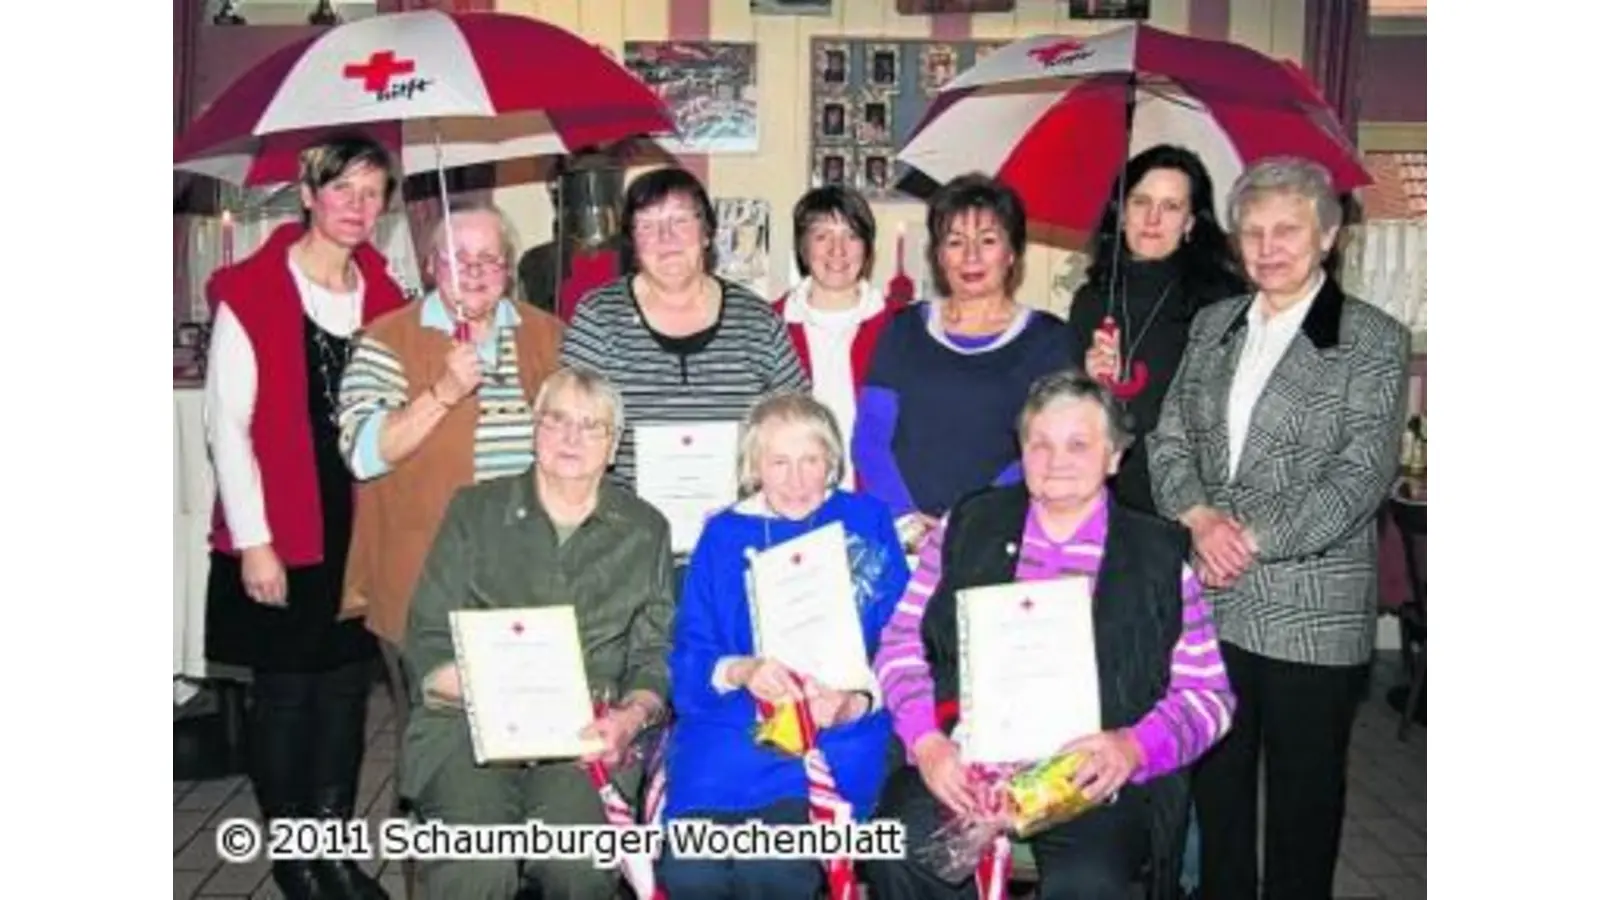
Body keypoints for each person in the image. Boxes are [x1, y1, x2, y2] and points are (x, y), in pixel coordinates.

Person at [863, 371, 1234, 900]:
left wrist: (1131, 748)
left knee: (1089, 882)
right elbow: (901, 643)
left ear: (1114, 457)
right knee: (898, 851)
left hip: (1091, 779)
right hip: (964, 760)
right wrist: (927, 743)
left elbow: (1208, 696)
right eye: (1041, 444)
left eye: (1079, 445)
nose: (1057, 461)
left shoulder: (1157, 556)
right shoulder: (968, 525)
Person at [1146, 157, 1411, 900]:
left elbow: (1359, 480)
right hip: (1214, 601)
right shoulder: (1214, 325)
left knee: (1303, 805)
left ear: (1327, 235)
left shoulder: (1371, 339)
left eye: (1287, 230)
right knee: (1219, 796)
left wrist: (1248, 537)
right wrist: (1198, 518)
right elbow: (1169, 441)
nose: (1267, 246)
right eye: (1252, 231)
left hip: (1310, 612)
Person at [202, 132, 406, 900]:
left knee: (349, 694)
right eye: (342, 190)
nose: (357, 206)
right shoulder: (252, 290)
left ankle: (334, 848)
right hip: (283, 527)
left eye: (372, 192)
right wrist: (255, 545)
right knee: (287, 697)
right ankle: (295, 859)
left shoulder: (384, 290)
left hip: (360, 524)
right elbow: (228, 428)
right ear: (309, 194)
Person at [400, 366, 675, 899]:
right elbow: (428, 635)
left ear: (613, 445)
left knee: (575, 863)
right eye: (557, 421)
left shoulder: (645, 529)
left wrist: (631, 716)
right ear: (535, 430)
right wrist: (491, 688)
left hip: (587, 738)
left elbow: (655, 650)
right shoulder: (474, 511)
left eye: (591, 426)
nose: (571, 437)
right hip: (468, 726)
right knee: (477, 866)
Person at [659, 391, 910, 899]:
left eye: (810, 460)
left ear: (832, 462)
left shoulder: (866, 520)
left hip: (832, 732)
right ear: (754, 466)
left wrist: (854, 702)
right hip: (731, 728)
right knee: (690, 872)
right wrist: (743, 670)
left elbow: (903, 641)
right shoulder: (723, 535)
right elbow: (692, 648)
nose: (796, 480)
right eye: (779, 462)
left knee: (775, 867)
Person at [338, 202, 563, 652]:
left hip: (532, 576)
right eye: (458, 258)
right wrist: (443, 392)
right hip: (428, 579)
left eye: (489, 258)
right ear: (430, 265)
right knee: (439, 720)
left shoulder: (549, 335)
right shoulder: (387, 339)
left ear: (508, 266)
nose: (474, 272)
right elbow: (363, 455)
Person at [853, 173, 1078, 540]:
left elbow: (1046, 449)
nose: (971, 256)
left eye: (988, 240)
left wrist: (967, 521)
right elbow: (870, 437)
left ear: (1011, 253)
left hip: (999, 533)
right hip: (903, 537)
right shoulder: (904, 329)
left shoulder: (1050, 341)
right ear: (939, 256)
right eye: (956, 242)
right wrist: (907, 520)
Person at [558, 166, 808, 492]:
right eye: (647, 225)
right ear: (632, 241)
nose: (666, 237)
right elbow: (568, 427)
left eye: (680, 220)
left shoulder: (758, 322)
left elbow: (800, 424)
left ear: (706, 233)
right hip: (628, 525)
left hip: (739, 522)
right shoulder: (599, 317)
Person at [1067, 144, 1247, 516]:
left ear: (1191, 223)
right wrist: (1089, 383)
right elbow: (1069, 415)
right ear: (1121, 213)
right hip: (1102, 500)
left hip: (1188, 506)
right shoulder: (1091, 300)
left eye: (1171, 207)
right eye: (1140, 202)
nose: (1152, 219)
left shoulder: (1221, 302)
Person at [773, 185, 901, 490]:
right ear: (803, 249)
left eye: (851, 236)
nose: (837, 250)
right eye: (822, 236)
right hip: (791, 501)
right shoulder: (770, 324)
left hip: (878, 504)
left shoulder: (899, 326)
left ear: (868, 248)